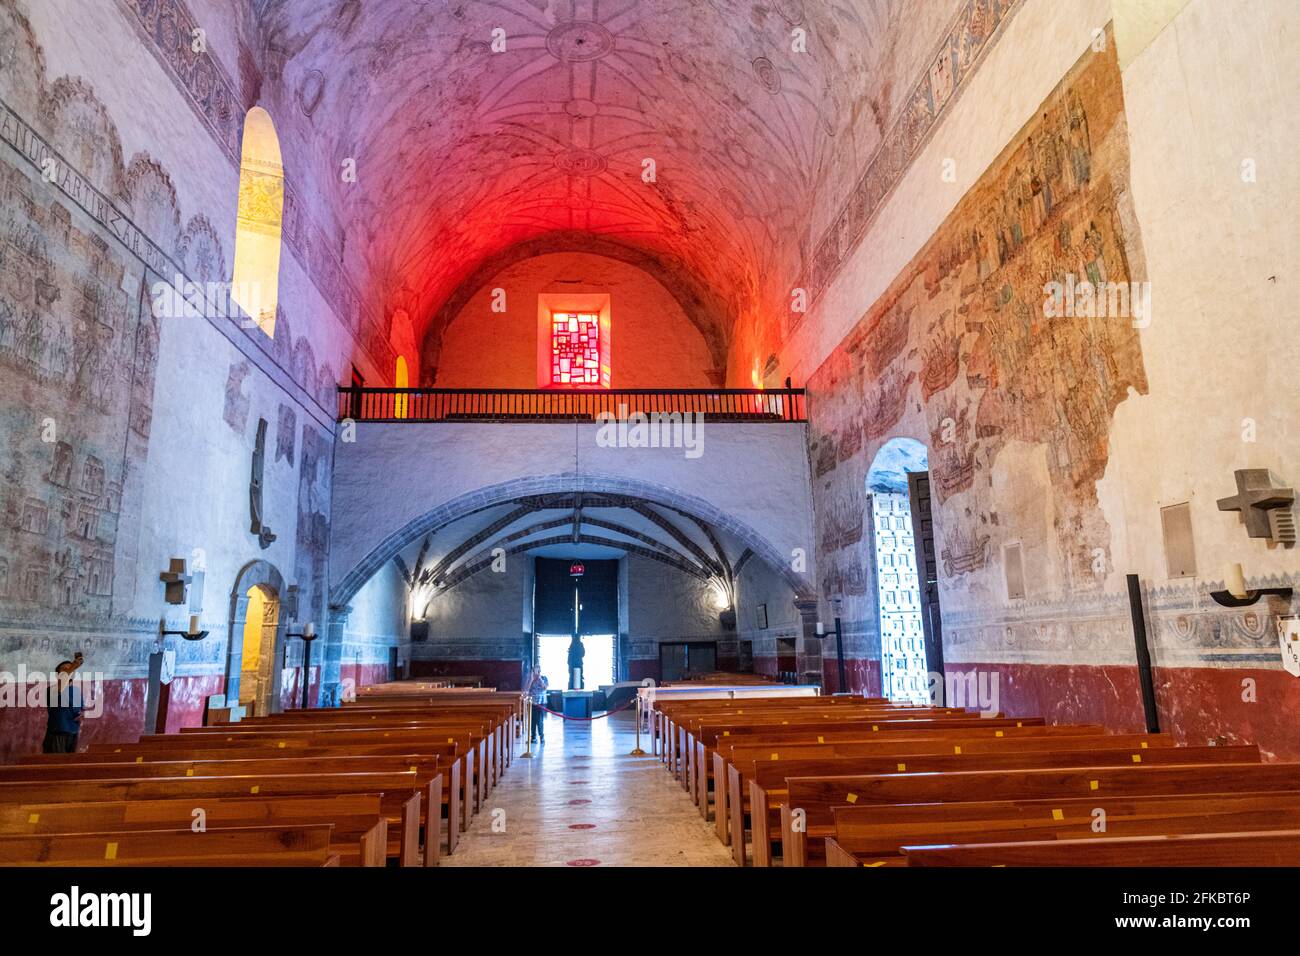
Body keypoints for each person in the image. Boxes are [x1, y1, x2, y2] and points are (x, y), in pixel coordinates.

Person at [44, 653, 85, 754]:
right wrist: (74, 665)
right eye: (65, 669)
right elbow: (62, 683)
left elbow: (79, 711)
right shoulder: (52, 690)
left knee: (69, 767)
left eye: (70, 669)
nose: (69, 670)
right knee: (55, 767)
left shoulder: (76, 690)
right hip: (56, 735)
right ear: (58, 675)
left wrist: (82, 715)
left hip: (73, 734)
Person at [525, 666, 548, 743]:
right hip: (532, 702)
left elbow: (545, 687)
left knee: (539, 720)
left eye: (537, 671)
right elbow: (526, 689)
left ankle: (542, 737)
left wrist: (539, 678)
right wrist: (531, 679)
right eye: (534, 671)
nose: (536, 673)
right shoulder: (530, 679)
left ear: (540, 671)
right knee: (532, 720)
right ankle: (533, 737)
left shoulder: (544, 678)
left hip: (541, 702)